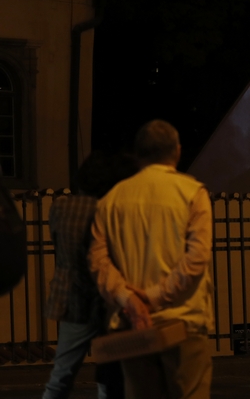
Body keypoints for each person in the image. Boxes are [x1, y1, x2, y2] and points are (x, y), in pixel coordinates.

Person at [89, 120, 214, 399]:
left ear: (138, 154)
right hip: (182, 321)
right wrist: (154, 296)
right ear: (177, 151)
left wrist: (129, 300)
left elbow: (98, 262)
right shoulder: (192, 193)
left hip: (132, 326)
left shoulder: (111, 200)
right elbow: (196, 259)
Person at [43, 151, 138, 399]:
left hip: (72, 298)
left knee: (61, 376)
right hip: (109, 301)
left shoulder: (61, 207)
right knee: (110, 378)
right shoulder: (111, 210)